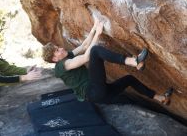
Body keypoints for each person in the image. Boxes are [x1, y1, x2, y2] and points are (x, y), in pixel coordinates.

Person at [41, 18, 173, 105]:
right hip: (93, 92)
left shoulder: (66, 57)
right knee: (96, 51)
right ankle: (134, 62)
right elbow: (86, 57)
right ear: (54, 59)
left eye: (58, 47)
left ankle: (161, 98)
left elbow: (83, 46)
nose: (61, 48)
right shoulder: (62, 65)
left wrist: (93, 28)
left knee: (129, 79)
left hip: (101, 93)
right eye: (57, 50)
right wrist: (98, 34)